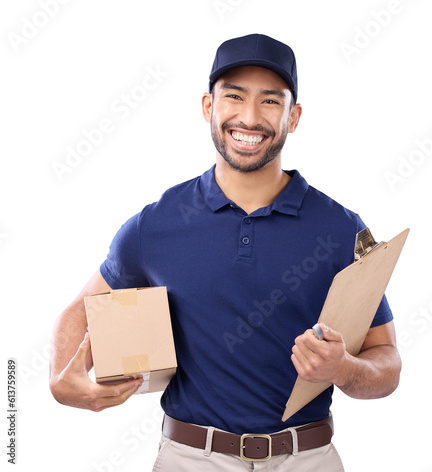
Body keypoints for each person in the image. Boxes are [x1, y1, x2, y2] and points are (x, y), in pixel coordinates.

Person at [49, 33, 402, 471]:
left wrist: (344, 368)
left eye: (270, 101)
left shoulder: (342, 228)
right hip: (190, 458)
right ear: (208, 107)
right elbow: (79, 312)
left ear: (293, 117)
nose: (249, 118)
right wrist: (61, 384)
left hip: (306, 459)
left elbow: (386, 363)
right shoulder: (154, 225)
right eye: (233, 96)